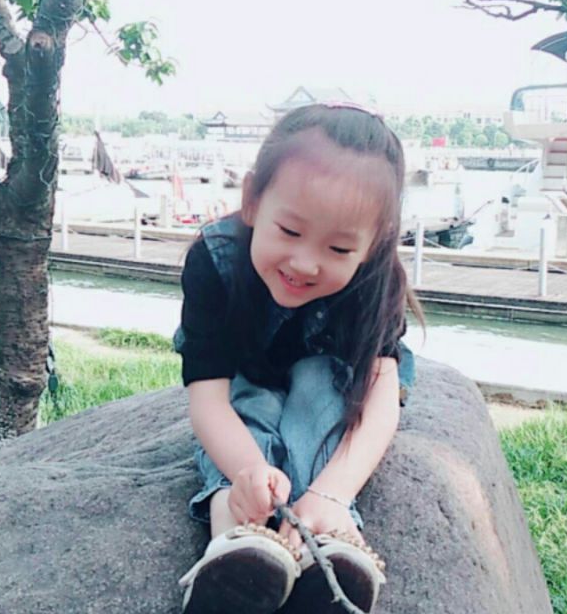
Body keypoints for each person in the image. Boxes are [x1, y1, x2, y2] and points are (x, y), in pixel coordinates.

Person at [174, 103, 421, 614]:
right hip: (245, 372)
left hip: (329, 375)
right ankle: (235, 543)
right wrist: (248, 472)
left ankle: (330, 545)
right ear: (252, 200)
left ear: (373, 244)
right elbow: (209, 395)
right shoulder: (215, 260)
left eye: (339, 249)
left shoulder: (377, 280)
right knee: (251, 407)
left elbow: (378, 395)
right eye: (289, 232)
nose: (305, 263)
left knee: (321, 391)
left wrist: (332, 493)